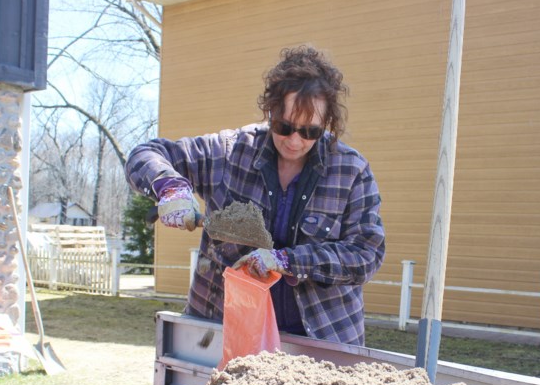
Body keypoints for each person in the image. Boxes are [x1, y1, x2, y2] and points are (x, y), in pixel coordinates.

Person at [125, 45, 385, 346]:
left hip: (320, 338)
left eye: (309, 132)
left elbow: (366, 255)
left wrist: (287, 260)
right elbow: (147, 153)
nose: (295, 141)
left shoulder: (351, 171)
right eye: (284, 127)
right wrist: (169, 187)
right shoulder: (230, 152)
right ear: (270, 111)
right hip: (224, 333)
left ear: (326, 124)